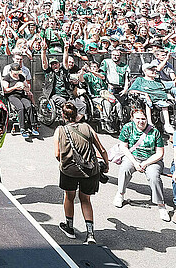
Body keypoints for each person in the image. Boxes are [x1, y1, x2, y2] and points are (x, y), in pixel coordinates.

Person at [55, 102, 108, 245]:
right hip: (90, 171)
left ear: (62, 115)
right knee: (86, 200)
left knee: (69, 197)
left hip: (69, 171)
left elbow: (57, 154)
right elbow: (102, 150)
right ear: (77, 114)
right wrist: (106, 164)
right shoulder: (87, 127)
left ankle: (69, 228)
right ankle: (90, 234)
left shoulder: (60, 130)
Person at [113, 108, 169, 221]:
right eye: (138, 118)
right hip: (133, 156)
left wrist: (145, 163)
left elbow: (160, 153)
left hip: (152, 159)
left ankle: (161, 205)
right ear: (133, 119)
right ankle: (120, 193)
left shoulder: (155, 132)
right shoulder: (128, 128)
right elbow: (123, 147)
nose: (141, 121)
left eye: (143, 119)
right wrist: (134, 162)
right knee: (125, 168)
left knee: (154, 176)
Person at [3, 61, 36, 140]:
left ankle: (32, 126)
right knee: (20, 107)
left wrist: (25, 87)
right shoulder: (7, 77)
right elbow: (5, 90)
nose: (17, 75)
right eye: (15, 73)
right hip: (12, 95)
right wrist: (14, 87)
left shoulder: (21, 77)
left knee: (29, 106)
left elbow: (27, 88)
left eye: (17, 73)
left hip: (21, 94)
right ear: (11, 71)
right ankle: (22, 128)